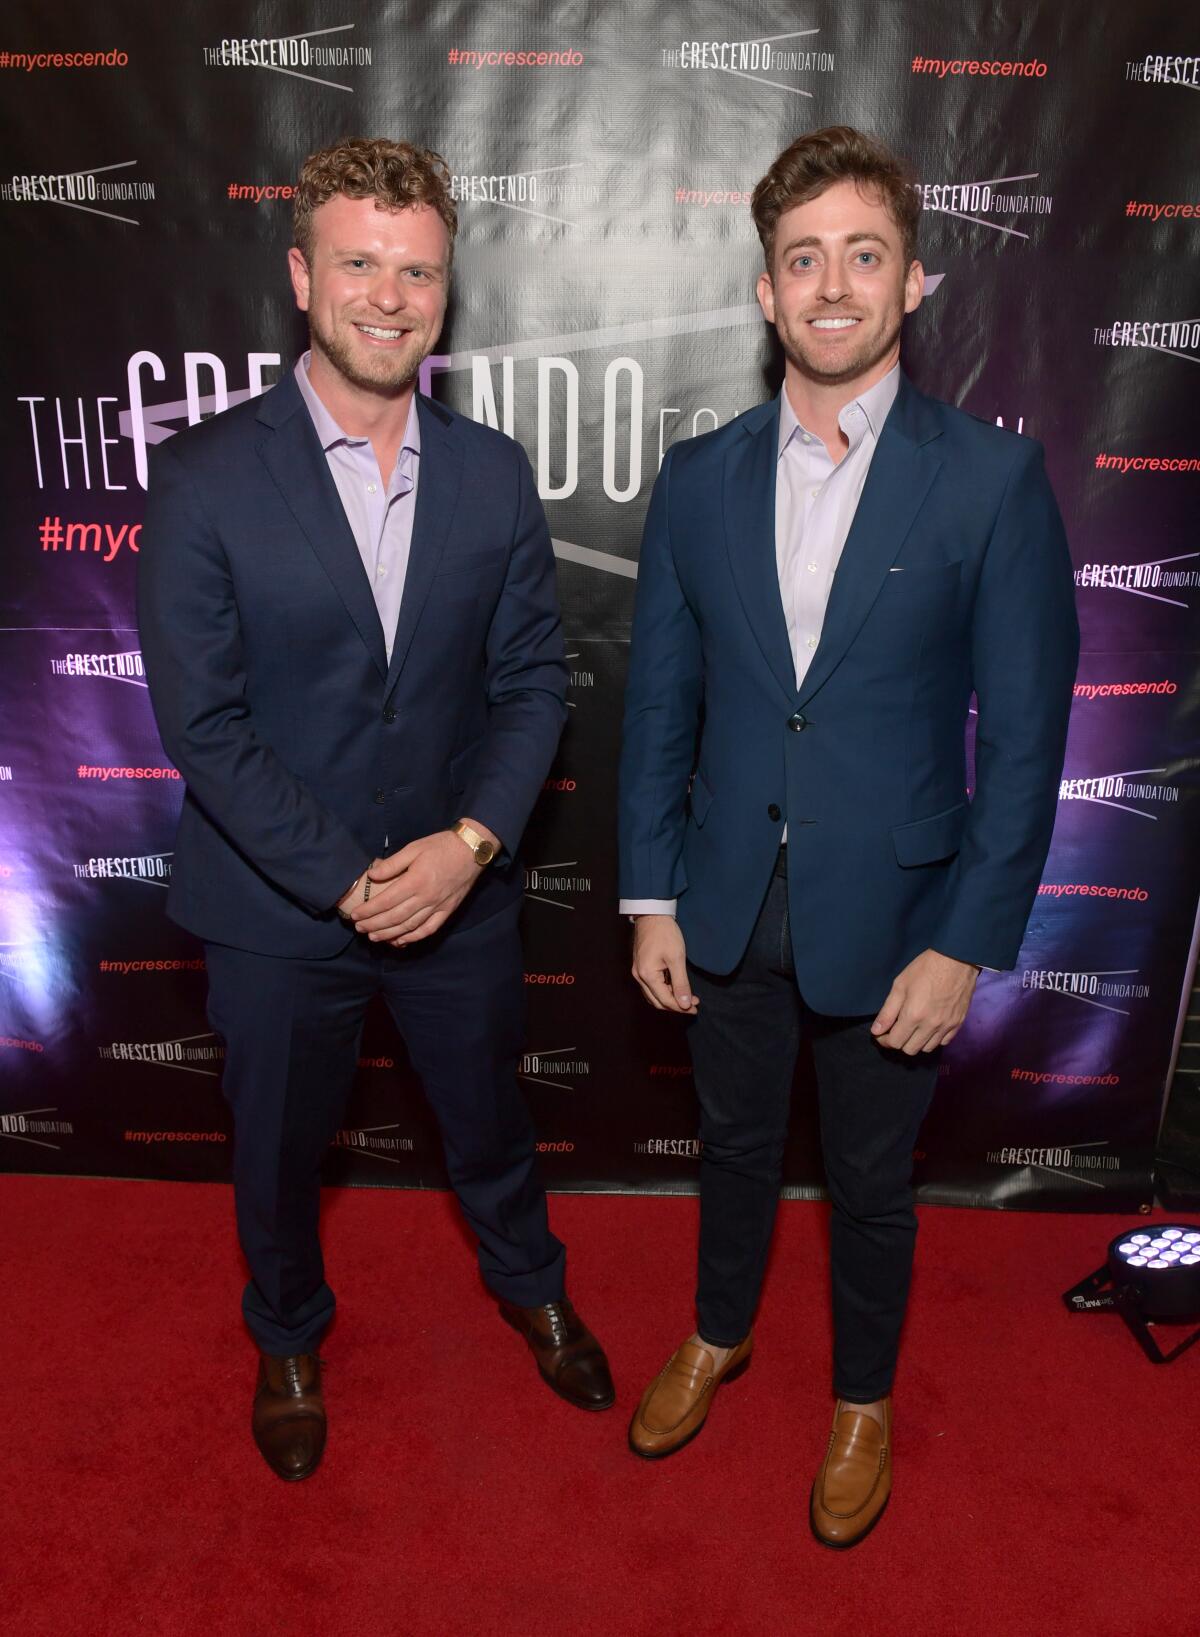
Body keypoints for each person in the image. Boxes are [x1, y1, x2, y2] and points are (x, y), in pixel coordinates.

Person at [617, 126, 1078, 1547]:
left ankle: (862, 1398)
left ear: (914, 282)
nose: (832, 284)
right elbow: (660, 706)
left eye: (861, 255)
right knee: (735, 1145)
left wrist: (965, 941)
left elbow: (1026, 742)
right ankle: (719, 1329)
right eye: (802, 258)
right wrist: (647, 896)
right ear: (764, 293)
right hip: (724, 898)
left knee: (873, 1184)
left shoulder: (991, 482)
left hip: (897, 921)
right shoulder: (696, 478)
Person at [138, 137, 614, 1483]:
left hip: (458, 892)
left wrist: (466, 849)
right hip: (276, 907)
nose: (389, 296)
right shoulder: (206, 478)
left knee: (491, 1125)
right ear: (302, 274)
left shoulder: (494, 473)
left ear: (446, 289)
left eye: (417, 271)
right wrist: (351, 881)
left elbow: (532, 684)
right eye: (359, 263)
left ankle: (531, 1284)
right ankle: (286, 1333)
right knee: (280, 1154)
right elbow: (204, 726)